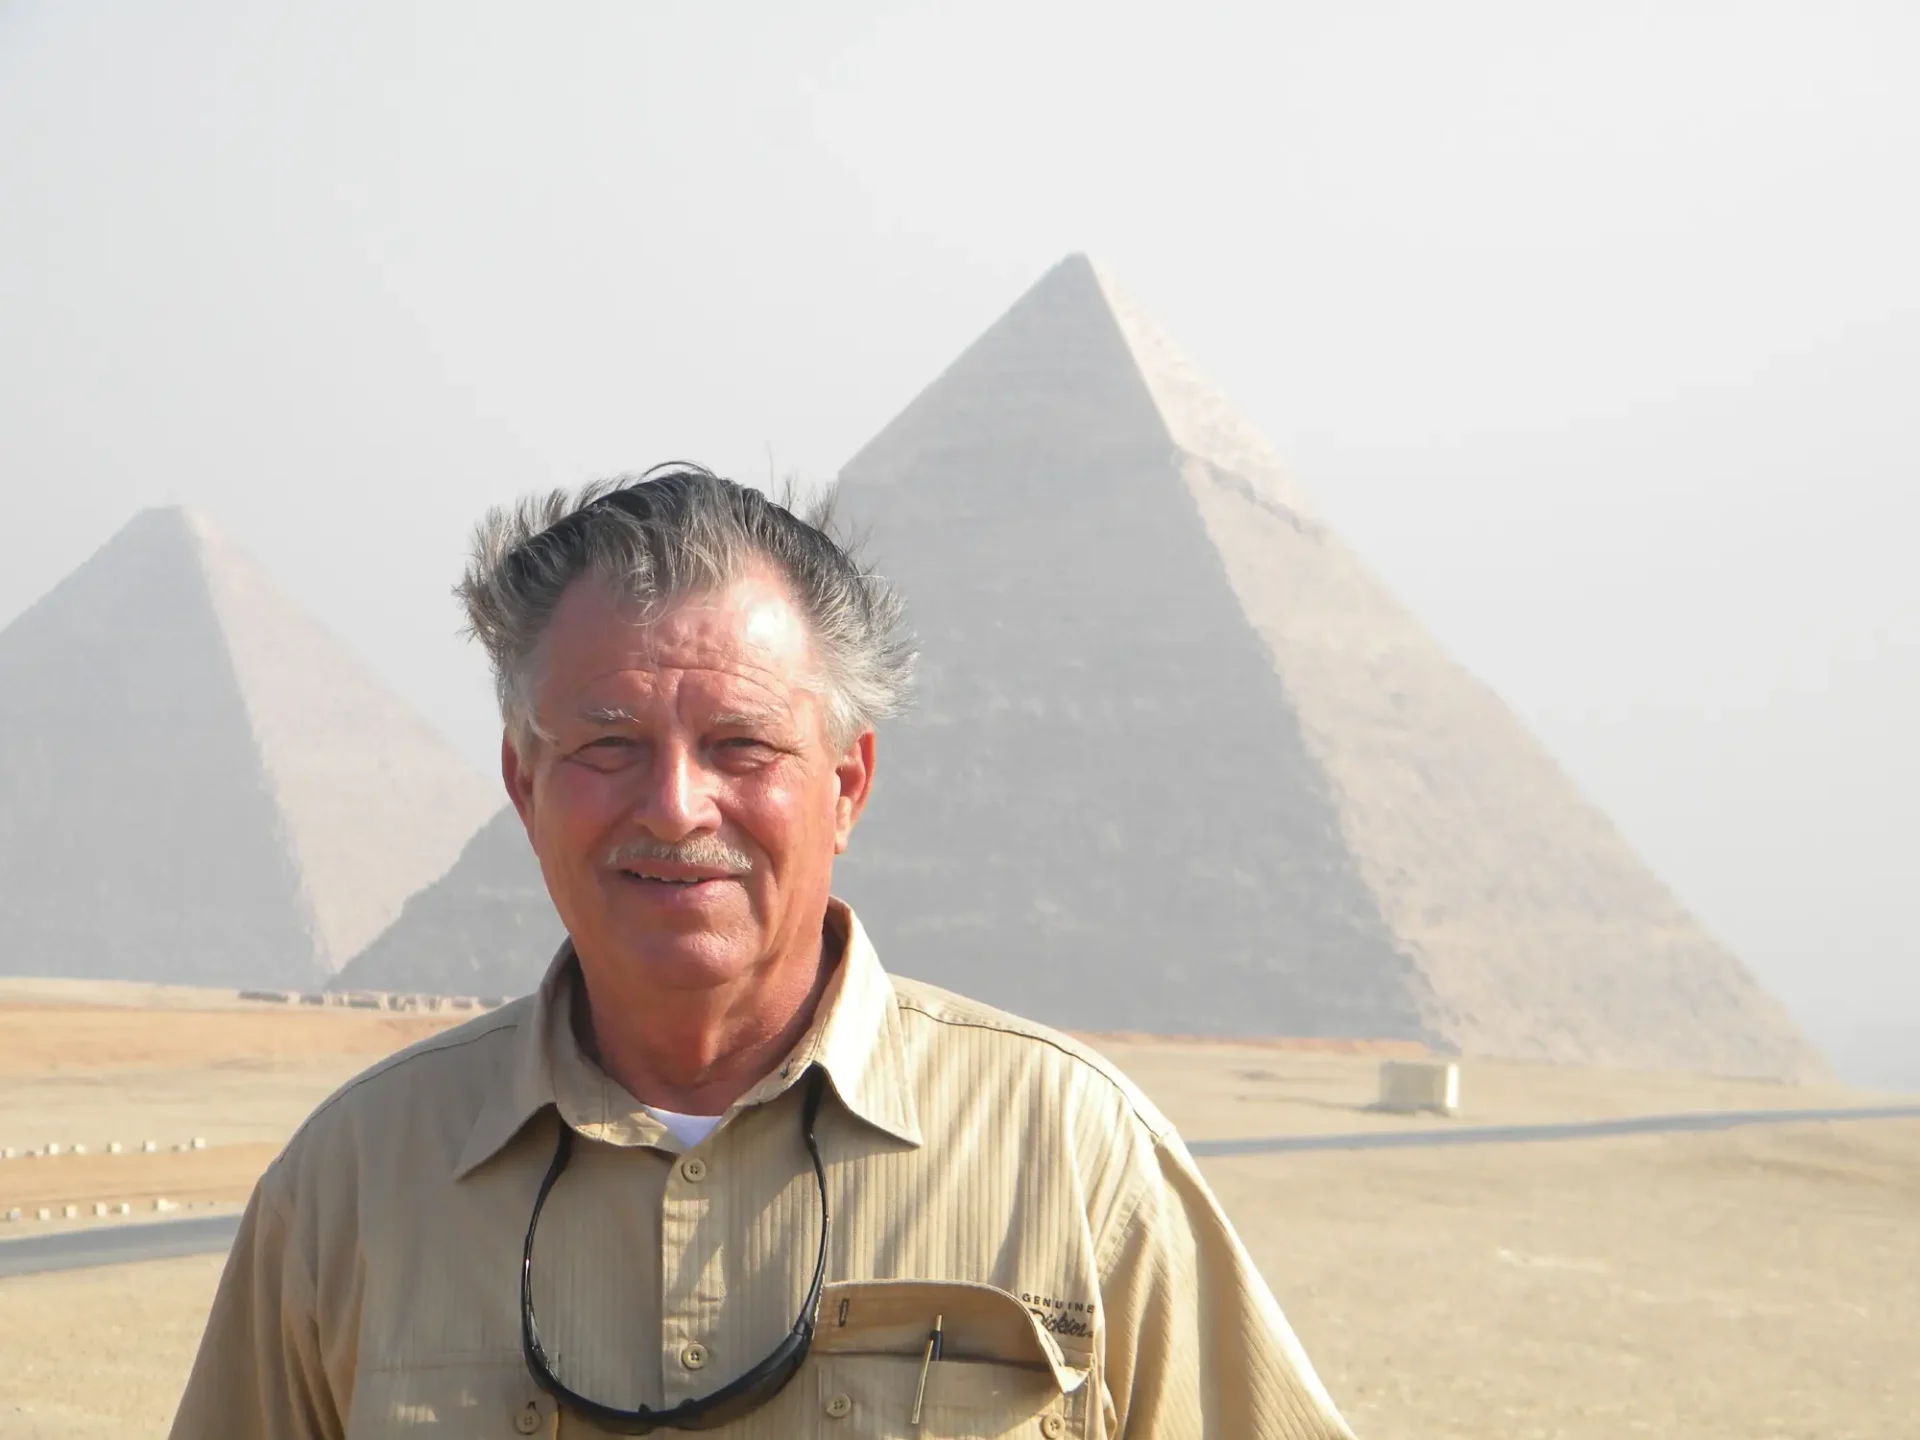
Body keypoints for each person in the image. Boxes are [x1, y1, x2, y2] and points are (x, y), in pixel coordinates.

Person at [169, 465, 1356, 1439]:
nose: (677, 806)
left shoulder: (1077, 1164)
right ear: (522, 786)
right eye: (608, 744)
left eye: (741, 744)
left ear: (846, 785)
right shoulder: (352, 1190)